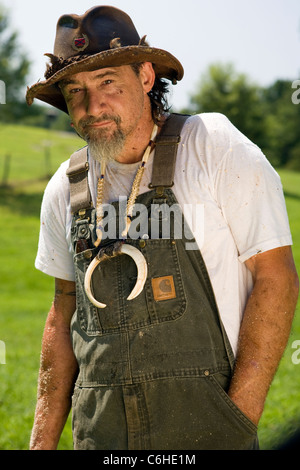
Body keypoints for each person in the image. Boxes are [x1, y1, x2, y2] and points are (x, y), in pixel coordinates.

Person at [26, 6, 299, 450]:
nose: (92, 106)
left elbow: (276, 277)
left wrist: (237, 419)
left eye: (108, 81)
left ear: (147, 76)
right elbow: (63, 311)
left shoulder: (212, 146)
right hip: (101, 437)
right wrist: (41, 444)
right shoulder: (66, 186)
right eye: (75, 90)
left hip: (208, 435)